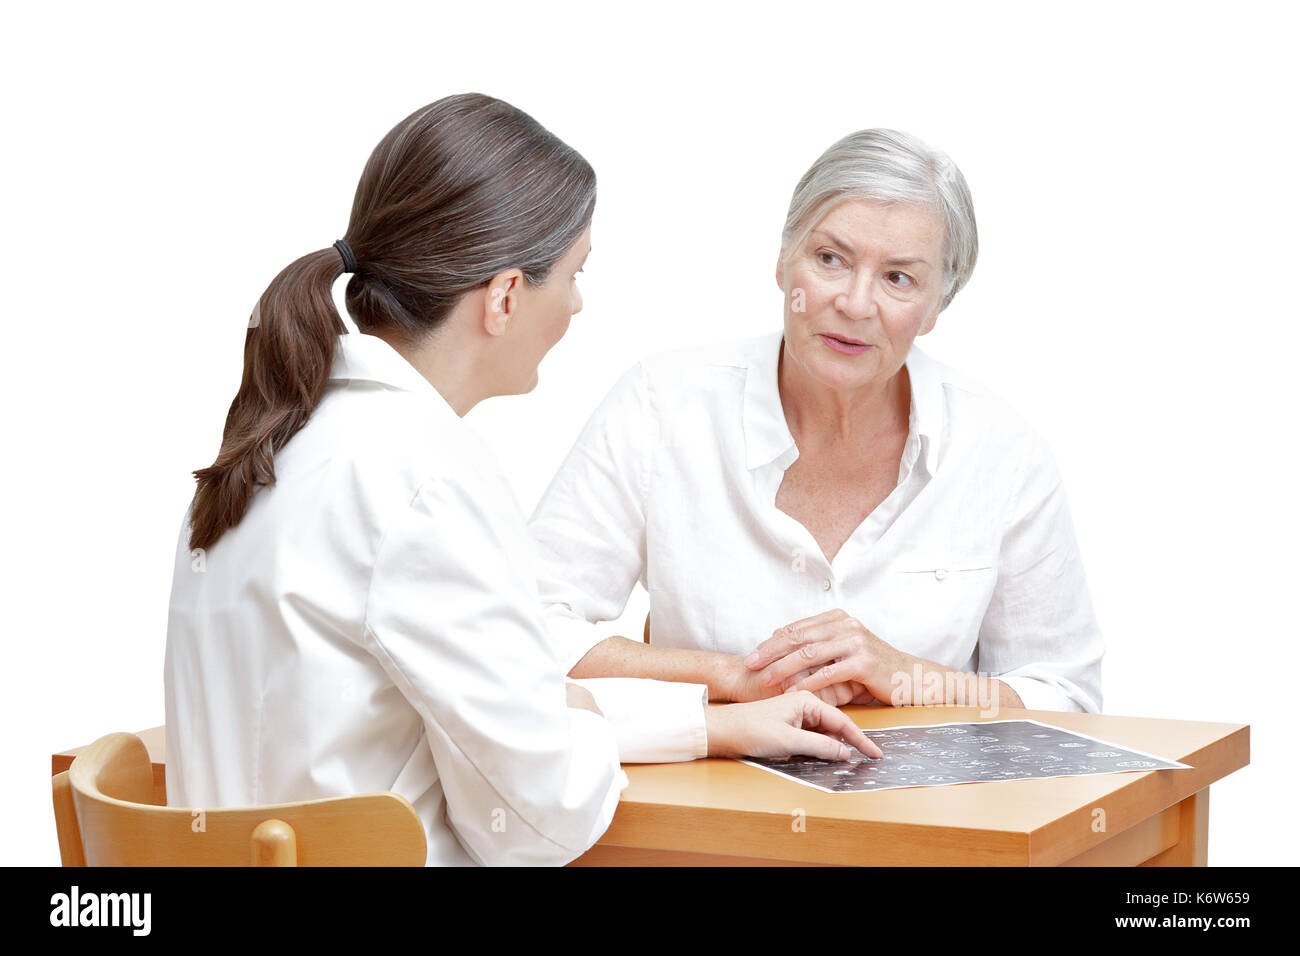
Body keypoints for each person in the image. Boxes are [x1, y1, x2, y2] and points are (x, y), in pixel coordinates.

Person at [164, 94, 878, 868]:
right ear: (505, 296)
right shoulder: (423, 479)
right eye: (574, 274)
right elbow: (542, 817)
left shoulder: (277, 441)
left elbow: (495, 716)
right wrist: (573, 718)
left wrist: (705, 725)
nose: (577, 303)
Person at [529, 128, 1104, 717]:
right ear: (783, 262)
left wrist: (908, 678)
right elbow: (523, 631)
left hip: (926, 806)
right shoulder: (662, 405)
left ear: (937, 305)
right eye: (831, 259)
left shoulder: (1003, 451)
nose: (855, 304)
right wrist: (733, 678)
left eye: (898, 278)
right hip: (711, 800)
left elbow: (1066, 695)